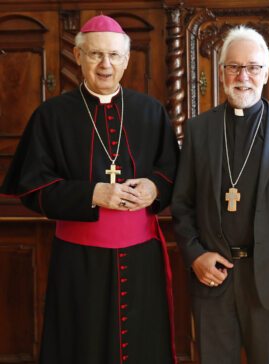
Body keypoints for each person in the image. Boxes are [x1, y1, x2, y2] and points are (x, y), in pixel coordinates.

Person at [0, 15, 179, 364]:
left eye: (114, 55)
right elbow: (32, 187)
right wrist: (92, 194)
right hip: (79, 262)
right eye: (95, 55)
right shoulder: (51, 116)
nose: (105, 64)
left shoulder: (151, 111)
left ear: (127, 60)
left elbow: (173, 170)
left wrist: (155, 188)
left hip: (141, 260)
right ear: (78, 57)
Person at [171, 25, 269, 364]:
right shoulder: (198, 130)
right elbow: (182, 204)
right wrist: (195, 255)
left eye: (252, 67)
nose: (243, 76)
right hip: (212, 276)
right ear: (221, 73)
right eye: (233, 66)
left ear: (265, 73)